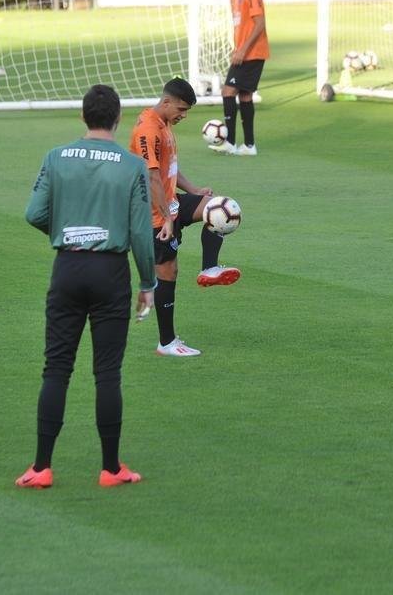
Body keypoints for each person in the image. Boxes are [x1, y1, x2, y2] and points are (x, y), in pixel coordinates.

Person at [16, 85, 156, 489]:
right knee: (107, 373)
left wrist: (64, 231)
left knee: (56, 368)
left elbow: (33, 213)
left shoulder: (56, 157)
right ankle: (111, 469)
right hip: (110, 272)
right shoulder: (130, 165)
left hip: (68, 268)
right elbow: (140, 232)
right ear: (117, 120)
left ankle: (41, 467)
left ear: (83, 117)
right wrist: (147, 281)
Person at [130, 78, 241, 357]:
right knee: (169, 273)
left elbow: (167, 168)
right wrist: (167, 217)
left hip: (169, 203)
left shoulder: (163, 124)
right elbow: (151, 176)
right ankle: (166, 343)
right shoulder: (147, 130)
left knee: (221, 207)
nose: (184, 115)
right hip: (152, 214)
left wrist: (193, 190)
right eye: (181, 109)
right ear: (166, 102)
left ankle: (209, 268)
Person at [211, 0, 269, 156]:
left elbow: (260, 23)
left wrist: (243, 49)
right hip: (243, 53)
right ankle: (249, 146)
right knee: (244, 96)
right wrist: (237, 49)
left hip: (253, 53)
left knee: (228, 91)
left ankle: (230, 142)